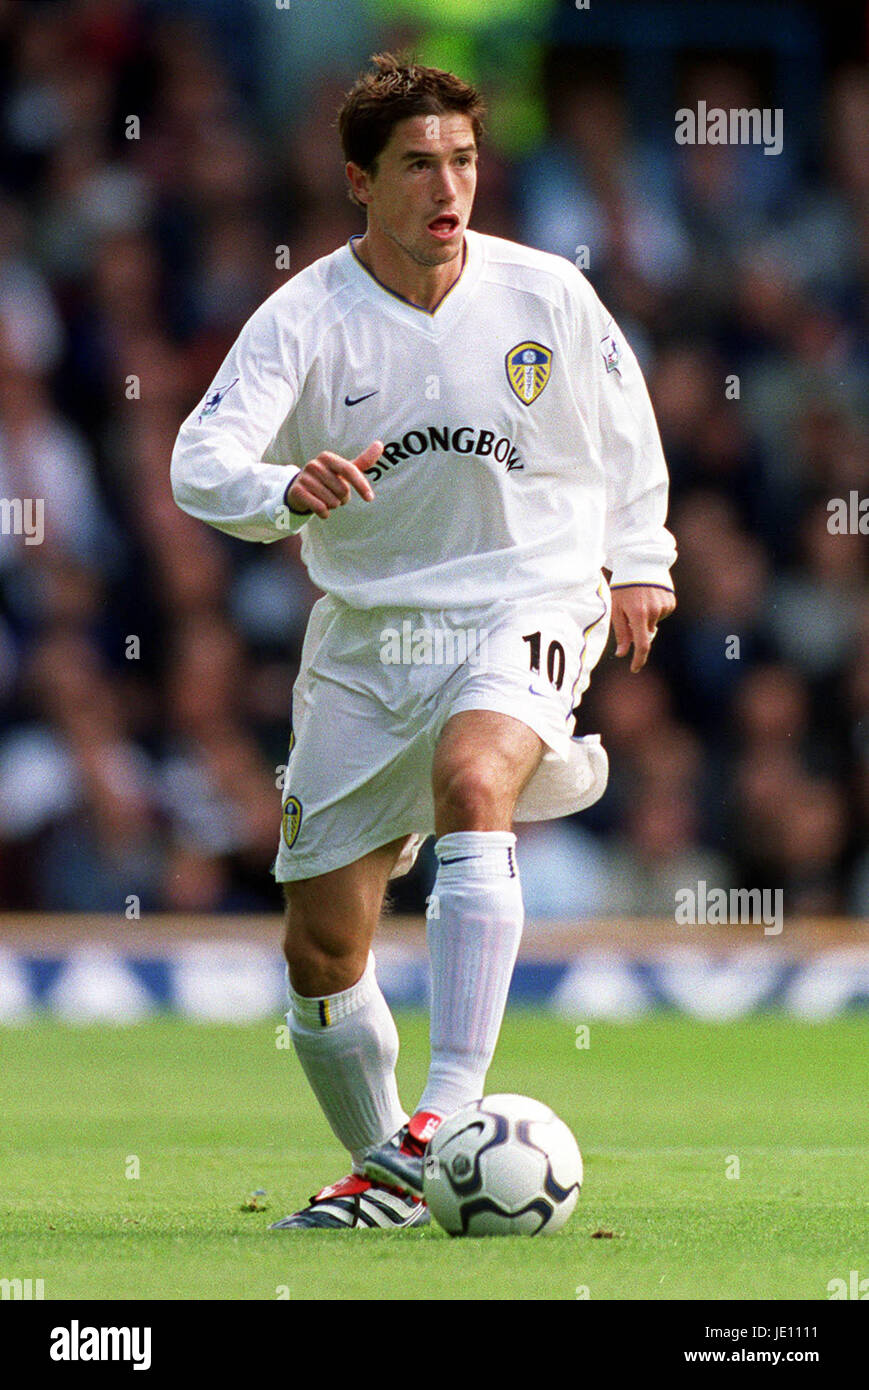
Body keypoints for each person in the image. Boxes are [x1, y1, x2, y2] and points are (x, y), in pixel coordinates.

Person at [170, 54, 677, 1229]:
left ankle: (447, 1108)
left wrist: (640, 561)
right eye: (415, 165)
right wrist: (279, 487)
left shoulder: (546, 292)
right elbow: (199, 461)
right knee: (319, 947)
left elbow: (625, 427)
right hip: (370, 634)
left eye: (461, 159)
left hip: (530, 591)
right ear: (359, 181)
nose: (447, 186)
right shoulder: (305, 317)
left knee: (471, 776)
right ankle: (391, 1170)